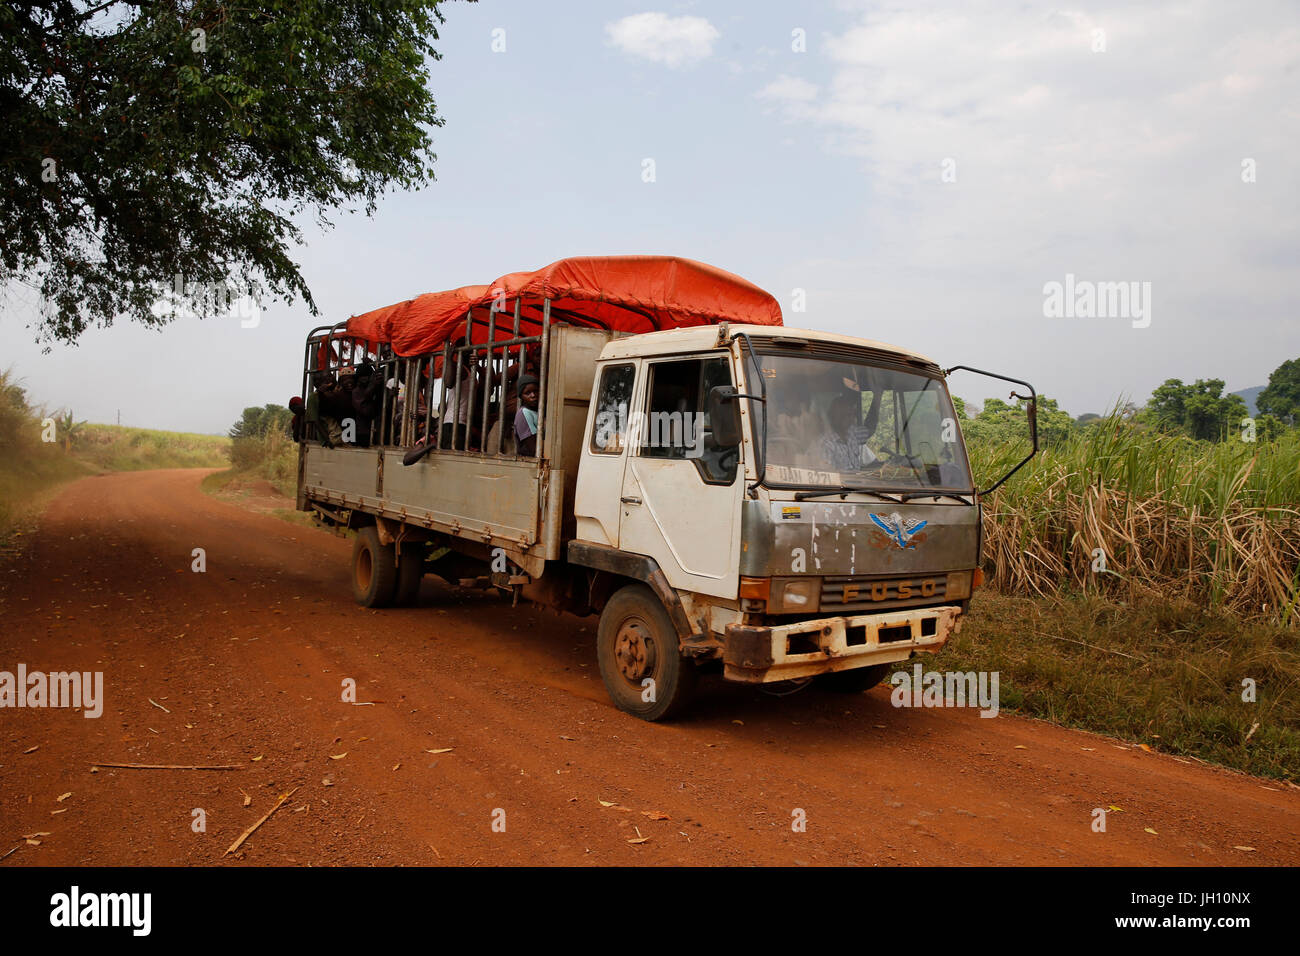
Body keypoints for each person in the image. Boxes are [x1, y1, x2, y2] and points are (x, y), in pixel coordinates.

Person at [820, 393, 877, 473]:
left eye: (853, 415)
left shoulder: (852, 432)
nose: (852, 419)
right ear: (836, 417)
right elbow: (829, 474)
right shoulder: (826, 443)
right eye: (848, 415)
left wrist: (877, 397)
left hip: (858, 484)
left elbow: (870, 429)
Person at [514, 374, 540, 457]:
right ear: (521, 396)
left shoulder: (539, 411)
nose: (533, 395)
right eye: (527, 393)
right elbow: (533, 448)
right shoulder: (524, 413)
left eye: (535, 391)